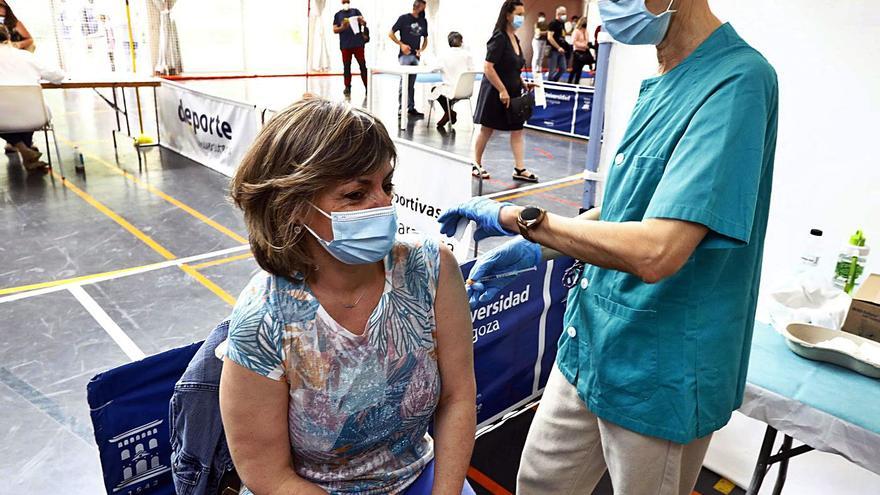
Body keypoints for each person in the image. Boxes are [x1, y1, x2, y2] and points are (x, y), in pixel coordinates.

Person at [439, 0, 779, 493]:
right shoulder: (664, 78)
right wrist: (537, 247)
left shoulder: (738, 81)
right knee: (539, 482)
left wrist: (522, 219)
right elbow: (625, 213)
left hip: (659, 366)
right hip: (590, 341)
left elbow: (658, 249)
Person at [221, 97, 477, 495]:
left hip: (416, 477)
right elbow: (267, 475)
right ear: (293, 207)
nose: (385, 204)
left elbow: (457, 397)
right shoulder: (263, 319)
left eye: (386, 185)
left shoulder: (431, 269)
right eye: (356, 194)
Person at [471, 0, 538, 183]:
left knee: (517, 130)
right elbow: (488, 67)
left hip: (513, 92)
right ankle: (475, 163)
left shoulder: (515, 38)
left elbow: (512, 68)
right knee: (487, 129)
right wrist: (502, 90)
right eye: (518, 14)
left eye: (523, 15)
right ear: (507, 15)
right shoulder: (499, 37)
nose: (521, 18)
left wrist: (523, 83)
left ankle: (520, 168)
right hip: (495, 92)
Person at [0, 25, 65, 170]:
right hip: (35, 116)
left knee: (7, 114)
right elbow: (58, 76)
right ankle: (26, 151)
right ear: (8, 38)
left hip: (1, 119)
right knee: (21, 110)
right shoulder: (25, 56)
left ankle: (23, 149)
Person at [389, 0, 428, 117]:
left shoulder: (423, 21)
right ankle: (401, 108)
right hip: (404, 55)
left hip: (415, 56)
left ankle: (411, 107)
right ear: (418, 6)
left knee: (411, 83)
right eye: (422, 7)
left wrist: (421, 49)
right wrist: (401, 44)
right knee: (404, 82)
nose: (423, 9)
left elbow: (425, 39)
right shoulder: (403, 18)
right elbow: (391, 33)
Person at [431, 31, 473, 129]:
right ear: (461, 42)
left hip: (451, 90)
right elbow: (472, 70)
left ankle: (450, 113)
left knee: (434, 89)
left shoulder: (444, 55)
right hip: (466, 91)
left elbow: (433, 69)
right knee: (445, 92)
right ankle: (448, 113)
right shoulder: (468, 55)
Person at [332, 0, 368, 97]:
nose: (346, 3)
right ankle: (347, 87)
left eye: (347, 1)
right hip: (345, 45)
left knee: (363, 66)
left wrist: (361, 21)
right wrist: (343, 27)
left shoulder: (356, 11)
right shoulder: (338, 15)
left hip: (358, 44)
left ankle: (367, 86)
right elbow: (334, 29)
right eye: (344, 1)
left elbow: (365, 23)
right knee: (346, 67)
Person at [567, 17, 594, 84]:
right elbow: (574, 41)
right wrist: (583, 45)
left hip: (584, 52)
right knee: (574, 69)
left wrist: (587, 45)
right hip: (577, 52)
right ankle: (569, 82)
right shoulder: (576, 31)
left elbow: (587, 40)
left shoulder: (586, 32)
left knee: (579, 70)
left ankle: (576, 83)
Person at [546, 6, 569, 82]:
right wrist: (558, 47)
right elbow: (550, 37)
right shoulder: (553, 24)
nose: (565, 15)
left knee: (563, 68)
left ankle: (554, 81)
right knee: (552, 70)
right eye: (563, 14)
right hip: (554, 50)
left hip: (561, 50)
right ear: (558, 14)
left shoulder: (562, 24)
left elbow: (562, 35)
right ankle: (549, 84)